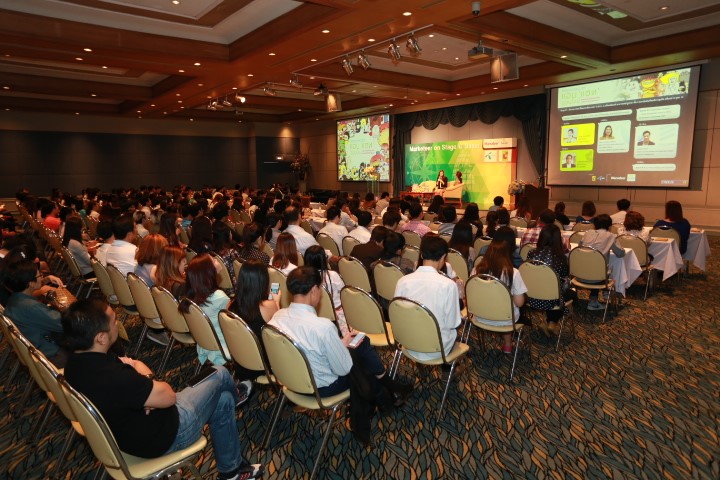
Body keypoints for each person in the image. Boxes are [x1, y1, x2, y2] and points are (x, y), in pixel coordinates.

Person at [61, 298, 263, 480]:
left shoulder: (74, 365)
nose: (117, 323)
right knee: (219, 372)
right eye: (113, 321)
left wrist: (143, 383)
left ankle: (231, 471)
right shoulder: (115, 377)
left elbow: (132, 369)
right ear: (101, 338)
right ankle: (239, 396)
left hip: (131, 436)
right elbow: (168, 396)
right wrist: (145, 377)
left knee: (223, 399)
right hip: (169, 435)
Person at [269, 266, 411, 446]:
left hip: (290, 382)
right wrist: (341, 347)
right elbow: (343, 369)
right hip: (322, 388)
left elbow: (305, 349)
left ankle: (384, 398)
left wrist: (339, 344)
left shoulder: (277, 318)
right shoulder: (322, 327)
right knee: (360, 357)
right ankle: (386, 391)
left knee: (357, 347)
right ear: (314, 290)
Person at [394, 235, 462, 361]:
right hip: (437, 349)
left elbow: (397, 314)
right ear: (443, 257)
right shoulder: (448, 285)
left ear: (421, 255)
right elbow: (453, 323)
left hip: (408, 342)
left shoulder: (402, 281)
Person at [3, 257, 67, 367]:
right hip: (53, 355)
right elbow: (64, 324)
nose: (42, 277)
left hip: (36, 351)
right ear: (31, 283)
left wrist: (46, 280)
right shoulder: (31, 307)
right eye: (39, 275)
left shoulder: (14, 299)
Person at [228, 260, 279, 381]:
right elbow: (280, 332)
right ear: (263, 281)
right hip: (263, 364)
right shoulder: (268, 306)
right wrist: (276, 301)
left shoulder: (230, 305)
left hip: (240, 360)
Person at [473, 239, 527, 353]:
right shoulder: (513, 273)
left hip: (480, 317)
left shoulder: (476, 270)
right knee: (509, 309)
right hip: (505, 319)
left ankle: (505, 344)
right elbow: (519, 303)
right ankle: (508, 344)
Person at [527, 225, 575, 336]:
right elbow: (564, 280)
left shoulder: (531, 253)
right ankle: (552, 323)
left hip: (531, 297)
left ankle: (550, 322)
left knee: (551, 289)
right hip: (552, 299)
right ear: (558, 240)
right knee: (570, 294)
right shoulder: (561, 258)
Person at [578, 214, 625, 310]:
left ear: (595, 225)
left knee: (593, 265)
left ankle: (603, 293)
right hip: (598, 277)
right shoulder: (611, 236)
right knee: (608, 267)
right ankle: (603, 294)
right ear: (609, 226)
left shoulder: (587, 233)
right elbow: (620, 254)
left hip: (579, 274)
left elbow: (579, 247)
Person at [304, 245, 348, 335]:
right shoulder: (333, 275)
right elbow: (344, 294)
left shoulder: (304, 278)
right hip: (336, 316)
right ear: (323, 260)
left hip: (314, 314)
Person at [212, 221, 241, 285]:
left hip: (219, 284)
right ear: (228, 236)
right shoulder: (232, 253)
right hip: (234, 286)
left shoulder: (212, 252)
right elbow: (239, 272)